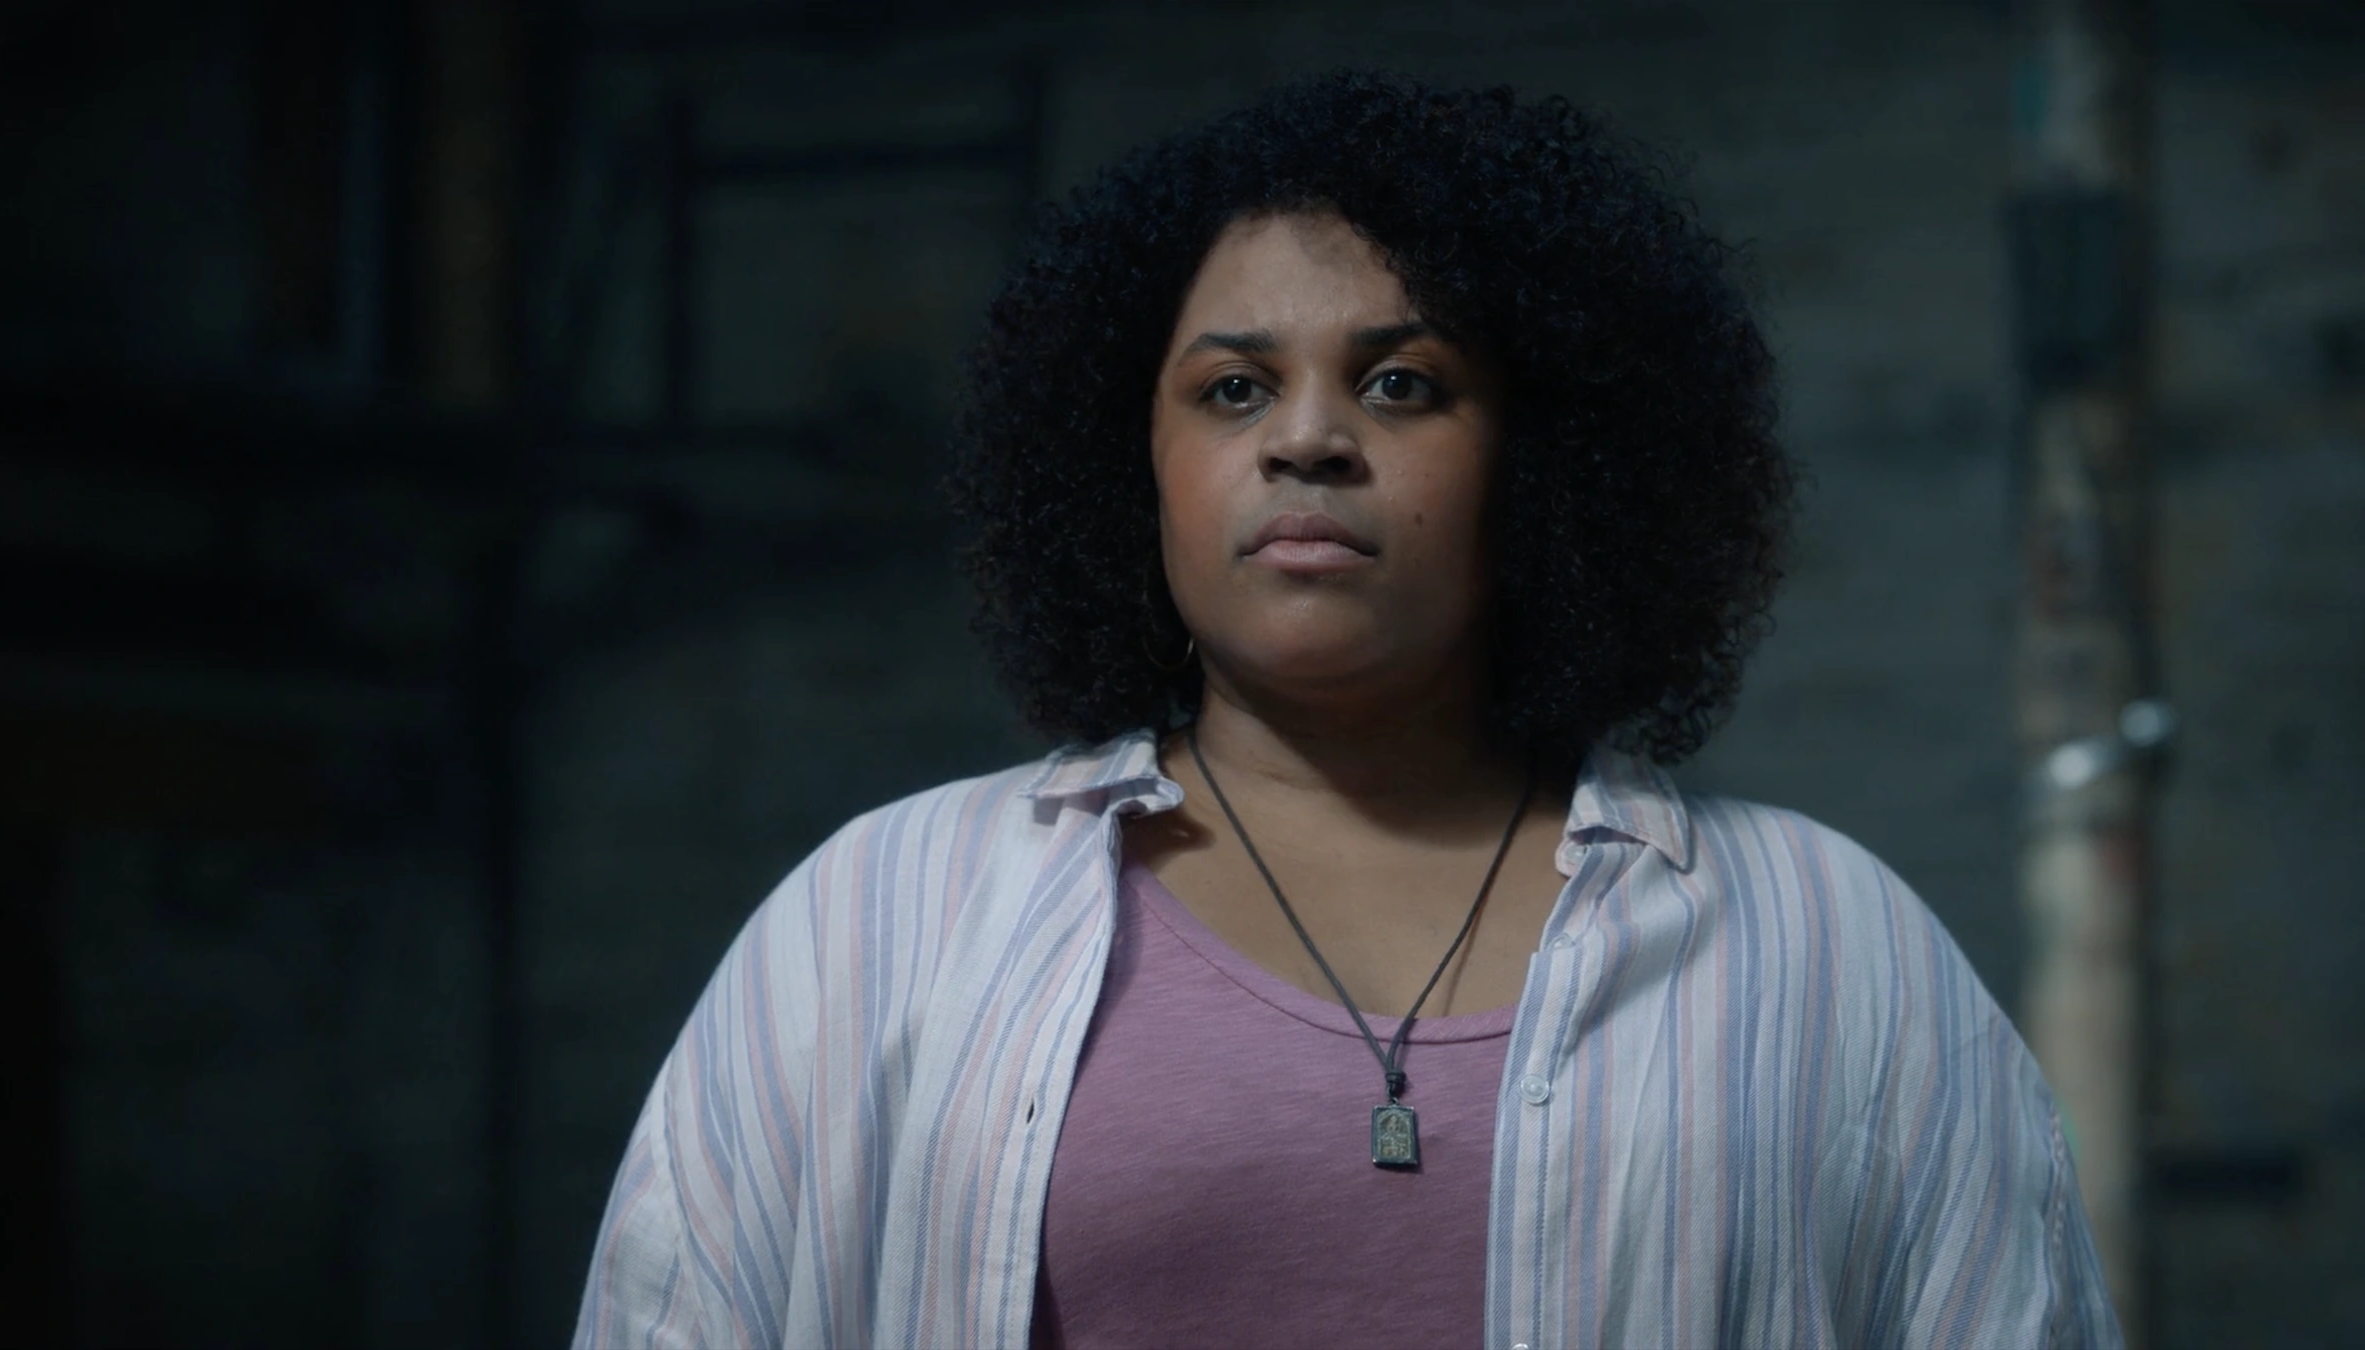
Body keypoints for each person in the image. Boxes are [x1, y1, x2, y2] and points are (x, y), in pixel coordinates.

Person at [573, 71, 2121, 1349]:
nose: (1307, 438)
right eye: (1233, 389)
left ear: (1545, 462)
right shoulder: (873, 921)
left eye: (1402, 385)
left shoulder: (1831, 948)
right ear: (1134, 462)